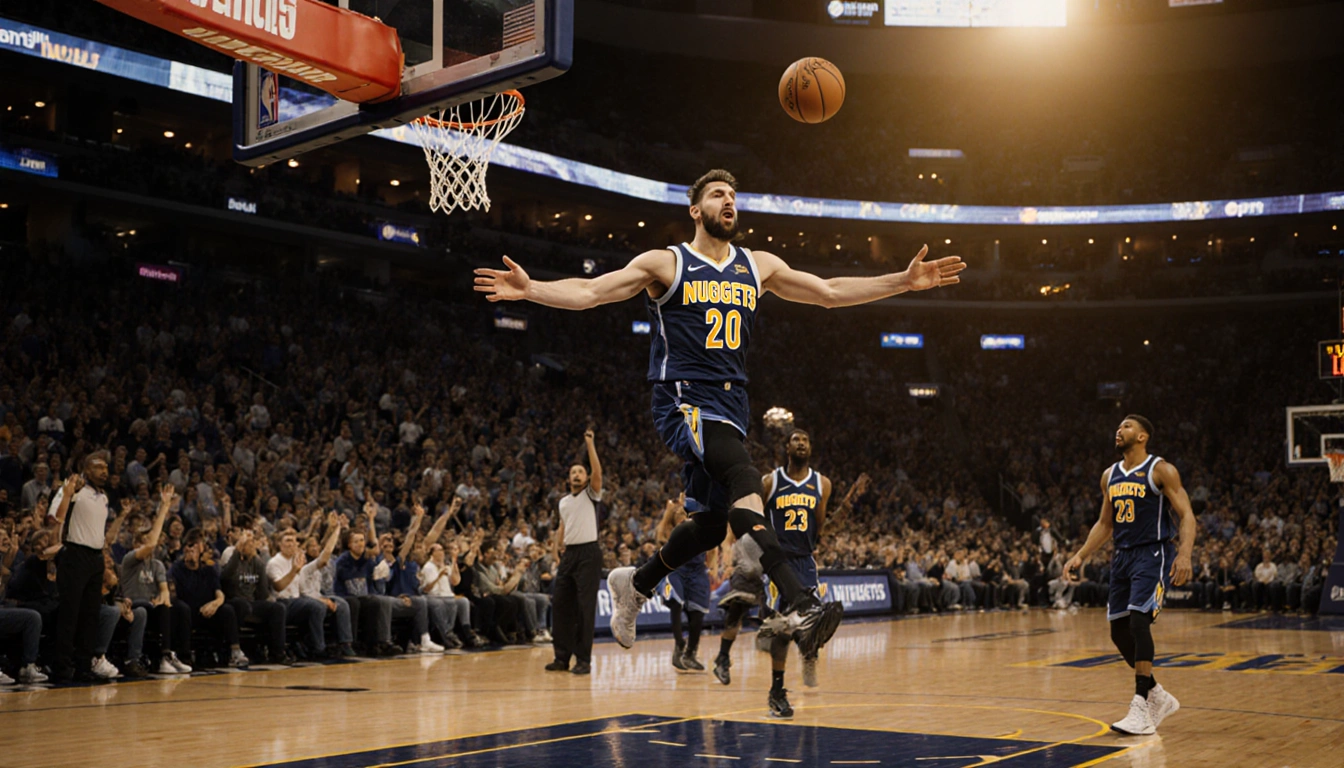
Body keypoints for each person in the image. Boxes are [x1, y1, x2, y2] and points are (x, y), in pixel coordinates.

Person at [474, 169, 965, 658]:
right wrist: (532, 289)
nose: (729, 200)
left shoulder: (757, 265)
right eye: (717, 194)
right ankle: (802, 602)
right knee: (746, 482)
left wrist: (901, 281)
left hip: (732, 403)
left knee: (710, 526)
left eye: (733, 194)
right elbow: (592, 292)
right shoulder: (666, 263)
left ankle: (636, 583)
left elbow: (830, 292)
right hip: (682, 398)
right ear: (696, 210)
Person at [1064, 415, 1196, 736]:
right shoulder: (1109, 475)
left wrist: (1185, 554)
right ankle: (1157, 694)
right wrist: (1081, 554)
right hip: (1121, 557)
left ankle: (1141, 706)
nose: (1118, 429)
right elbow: (1105, 524)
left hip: (1151, 553)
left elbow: (1187, 514)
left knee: (1139, 622)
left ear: (1142, 436)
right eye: (1118, 426)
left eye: (1126, 426)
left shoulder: (1160, 470)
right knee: (1118, 632)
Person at [754, 430, 869, 716]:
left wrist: (849, 502)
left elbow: (824, 530)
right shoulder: (770, 481)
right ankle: (777, 693)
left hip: (805, 562)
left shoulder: (822, 484)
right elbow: (754, 519)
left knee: (818, 617)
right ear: (787, 447)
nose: (802, 442)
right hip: (779, 561)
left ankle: (808, 649)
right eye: (796, 439)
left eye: (806, 439)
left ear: (811, 447)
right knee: (782, 628)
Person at [46, 454, 115, 682]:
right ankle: (62, 667)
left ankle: (84, 665)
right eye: (98, 467)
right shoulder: (74, 488)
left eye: (106, 467)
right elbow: (55, 517)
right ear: (85, 468)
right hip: (75, 554)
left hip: (96, 558)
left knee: (90, 614)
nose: (104, 471)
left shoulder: (103, 496)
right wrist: (68, 493)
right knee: (70, 613)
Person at [119, 485, 193, 674]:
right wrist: (164, 508)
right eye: (144, 541)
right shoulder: (129, 560)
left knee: (179, 607)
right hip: (133, 603)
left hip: (153, 605)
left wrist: (164, 597)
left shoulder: (157, 564)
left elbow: (164, 589)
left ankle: (177, 656)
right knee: (149, 607)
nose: (149, 546)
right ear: (136, 544)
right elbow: (152, 544)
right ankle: (162, 656)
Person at [546, 430, 603, 674]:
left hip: (589, 553)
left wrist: (590, 444)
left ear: (586, 476)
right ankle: (561, 657)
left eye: (581, 471)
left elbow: (598, 473)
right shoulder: (563, 502)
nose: (577, 475)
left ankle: (583, 660)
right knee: (560, 605)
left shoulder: (592, 494)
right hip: (569, 554)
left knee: (584, 607)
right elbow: (562, 526)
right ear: (568, 478)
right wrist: (556, 552)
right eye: (573, 472)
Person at [654, 494, 711, 674]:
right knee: (675, 602)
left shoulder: (700, 525)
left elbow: (713, 546)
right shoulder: (673, 531)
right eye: (679, 513)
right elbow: (658, 536)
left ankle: (690, 653)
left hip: (697, 571)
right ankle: (679, 644)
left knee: (698, 615)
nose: (682, 512)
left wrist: (715, 564)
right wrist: (667, 512)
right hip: (677, 568)